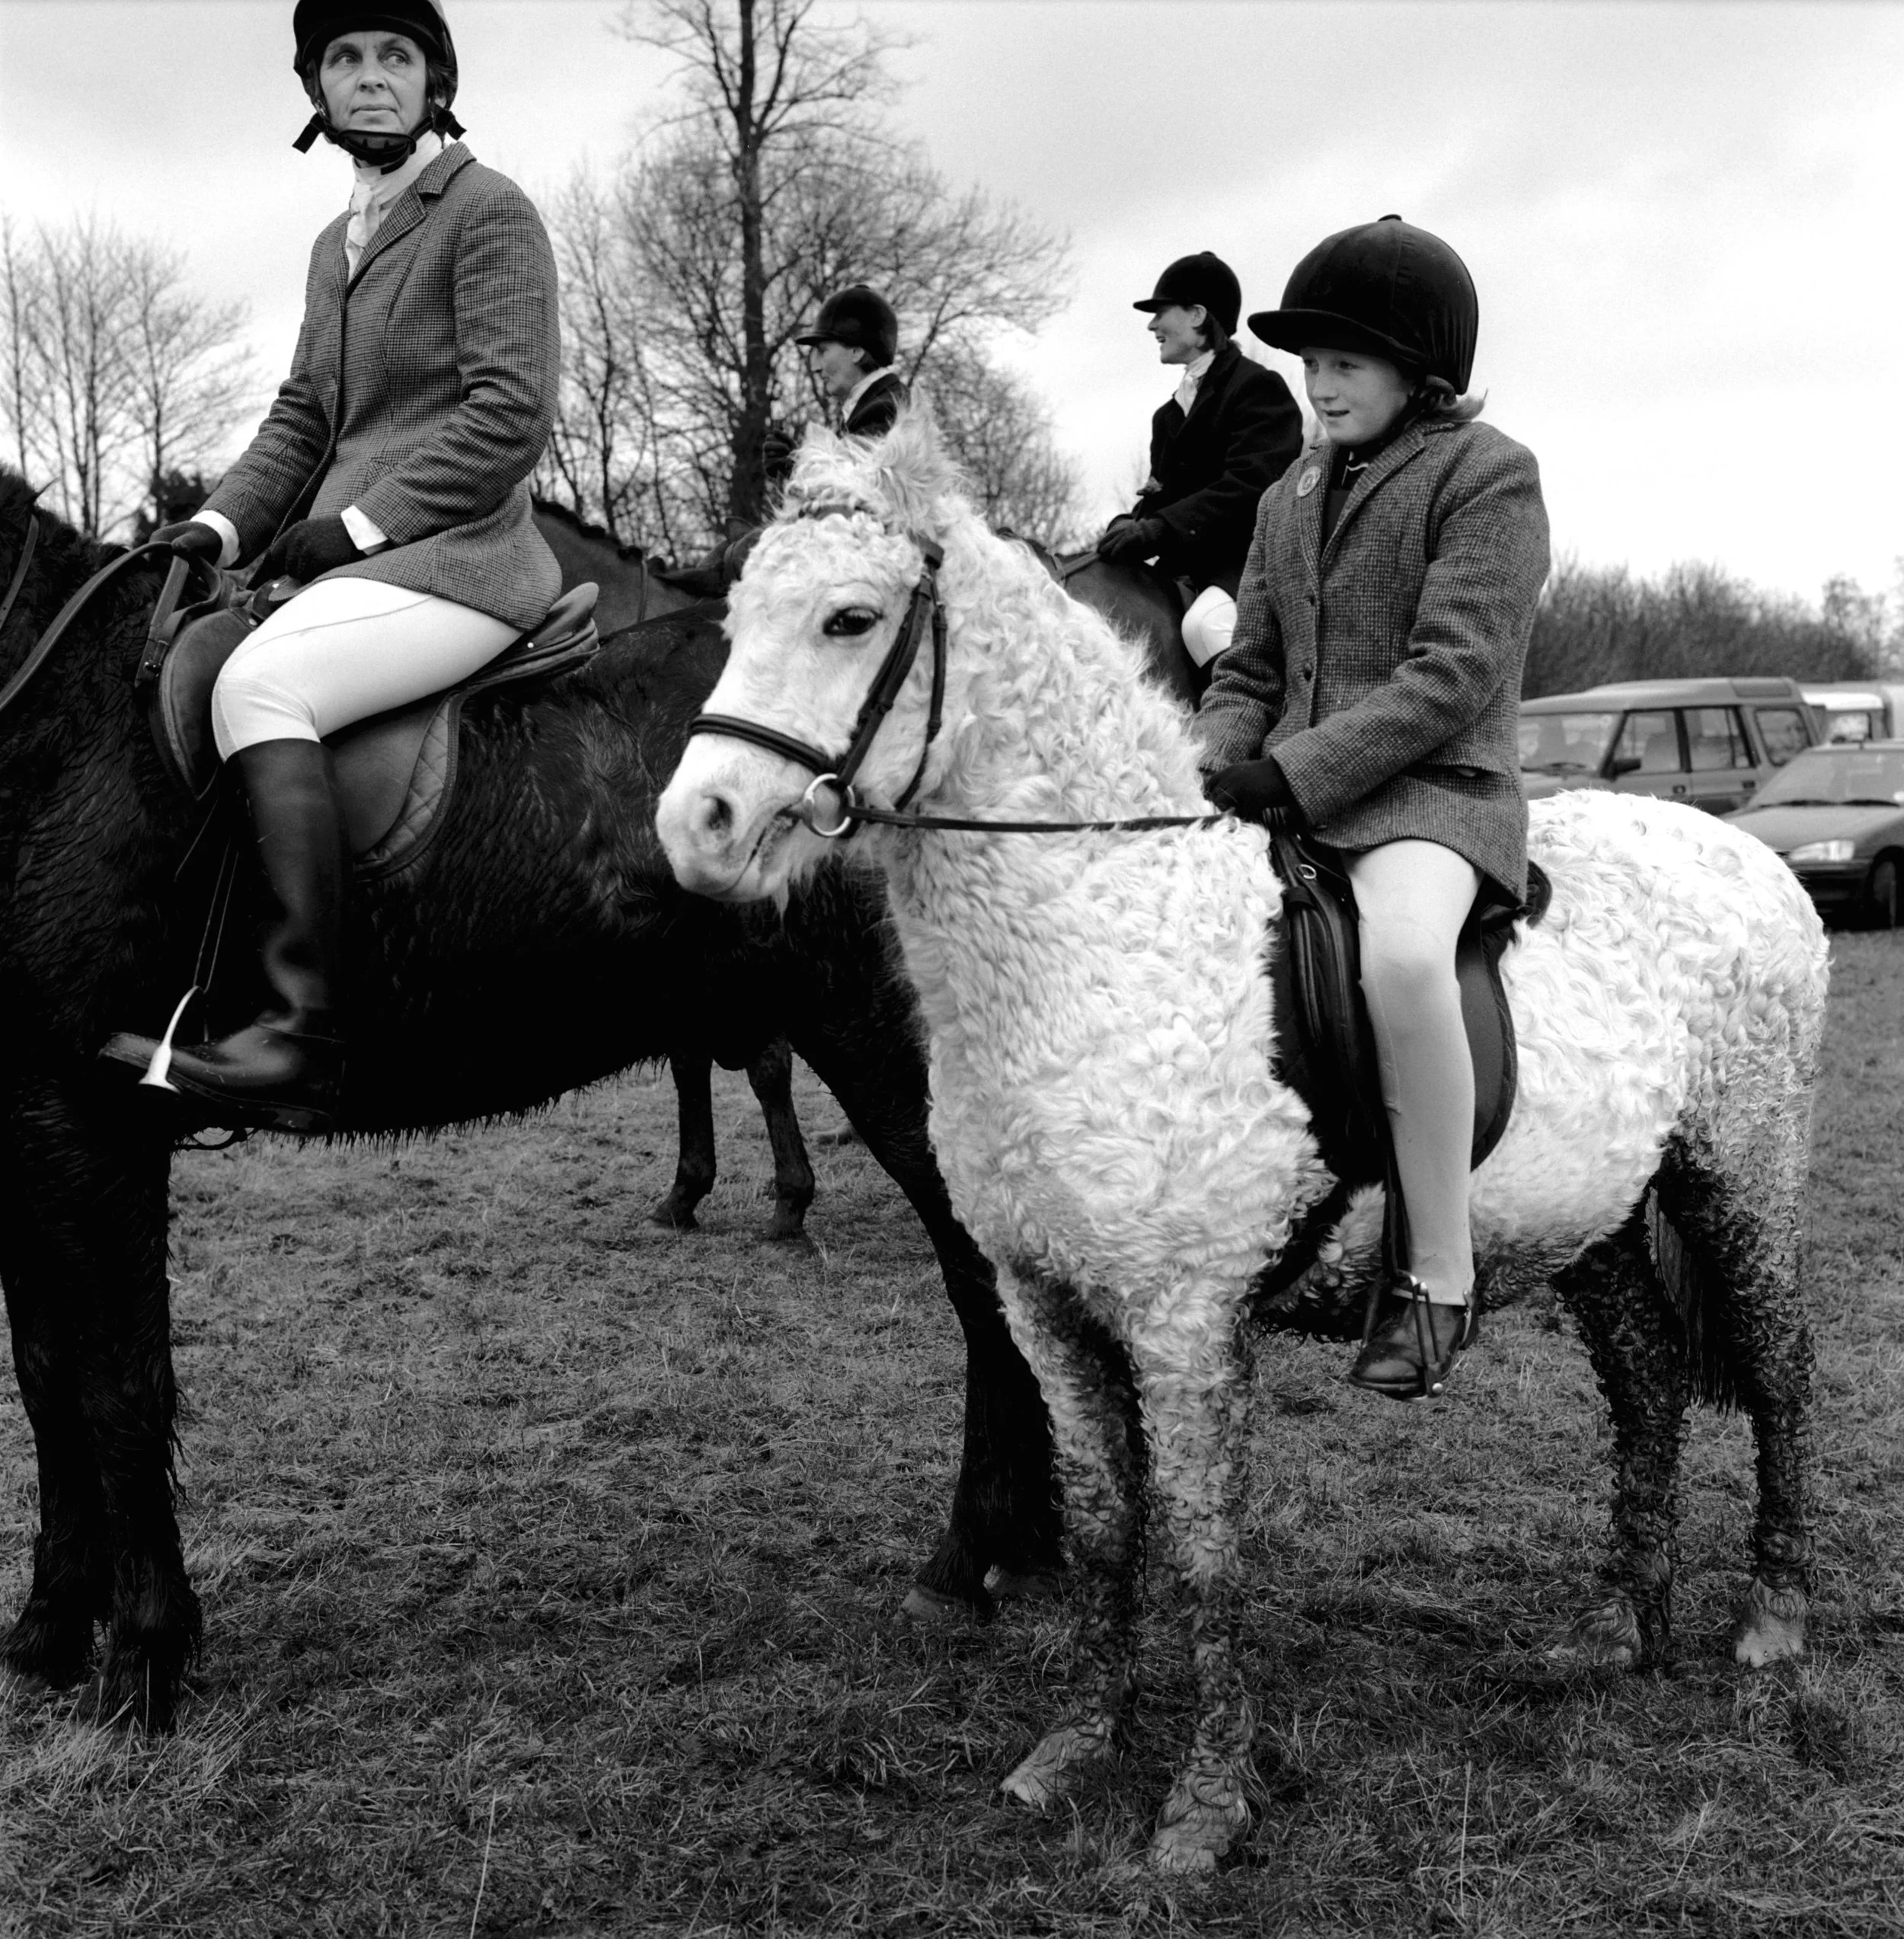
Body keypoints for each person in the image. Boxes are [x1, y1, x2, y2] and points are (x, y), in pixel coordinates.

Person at [102, 0, 561, 1132]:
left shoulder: (489, 210)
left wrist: (358, 528)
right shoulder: (332, 245)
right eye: (344, 59)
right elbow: (302, 420)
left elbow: (510, 416)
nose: (370, 77)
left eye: (394, 57)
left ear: (435, 82)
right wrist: (214, 528)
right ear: (316, 90)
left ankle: (303, 1025)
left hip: (464, 560)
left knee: (261, 685)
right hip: (357, 571)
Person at [1195, 216, 1551, 1398]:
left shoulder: (1487, 474)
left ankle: (1438, 1273)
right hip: (1290, 795)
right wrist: (1208, 764)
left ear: (1419, 369)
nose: (1321, 383)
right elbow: (1247, 665)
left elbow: (1453, 674)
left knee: (1401, 959)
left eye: (1345, 361)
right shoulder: (1287, 492)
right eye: (1311, 361)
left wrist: (1294, 774)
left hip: (1432, 797)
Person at [1098, 252, 1302, 668]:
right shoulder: (1168, 414)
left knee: (1205, 626)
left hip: (1246, 566)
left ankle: (1262, 705)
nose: (1152, 326)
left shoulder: (1257, 389)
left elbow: (1251, 486)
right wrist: (1131, 523)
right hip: (1184, 568)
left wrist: (1160, 528)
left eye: (1161, 313)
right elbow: (1162, 496)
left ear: (1196, 315)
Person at [796, 285, 909, 436]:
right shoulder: (878, 404)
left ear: (857, 352)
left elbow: (857, 453)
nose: (815, 367)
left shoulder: (883, 412)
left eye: (822, 351)